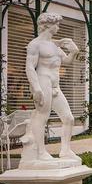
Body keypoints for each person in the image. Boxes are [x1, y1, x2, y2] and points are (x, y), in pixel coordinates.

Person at [24, 13, 81, 166]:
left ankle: (65, 150)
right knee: (42, 116)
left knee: (68, 118)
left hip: (55, 86)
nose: (58, 27)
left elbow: (67, 61)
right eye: (57, 24)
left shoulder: (55, 45)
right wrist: (36, 88)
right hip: (43, 82)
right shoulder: (35, 44)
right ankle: (41, 152)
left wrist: (74, 52)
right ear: (48, 25)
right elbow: (29, 67)